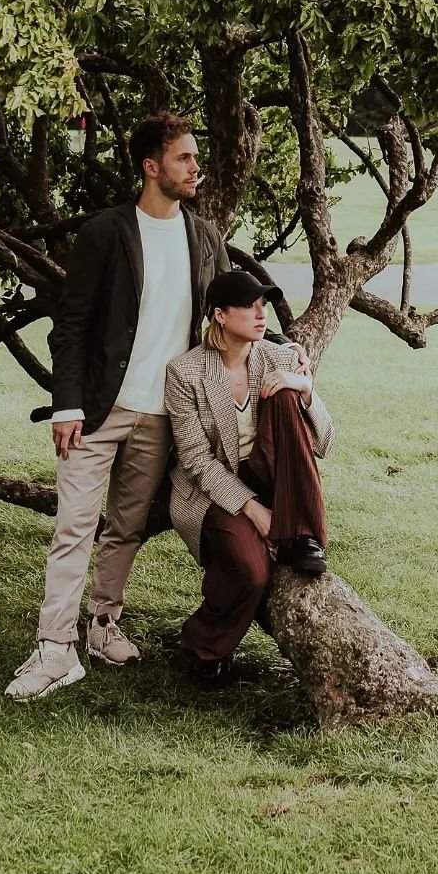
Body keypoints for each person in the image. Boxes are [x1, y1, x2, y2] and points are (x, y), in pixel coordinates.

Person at [5, 114, 291, 701]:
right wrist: (66, 406)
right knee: (74, 527)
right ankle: (54, 649)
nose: (195, 168)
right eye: (184, 158)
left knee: (126, 528)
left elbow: (228, 312)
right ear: (151, 166)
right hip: (97, 411)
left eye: (195, 157)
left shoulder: (205, 238)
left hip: (163, 415)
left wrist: (285, 352)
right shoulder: (105, 232)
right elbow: (73, 325)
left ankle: (102, 625)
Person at [164, 270, 333, 682]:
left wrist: (304, 387)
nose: (262, 315)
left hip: (272, 473)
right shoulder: (185, 373)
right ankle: (203, 650)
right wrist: (254, 511)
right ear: (220, 315)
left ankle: (304, 534)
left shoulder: (277, 357)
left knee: (287, 394)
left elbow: (324, 441)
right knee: (251, 568)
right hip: (215, 486)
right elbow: (196, 461)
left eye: (263, 306)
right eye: (250, 306)